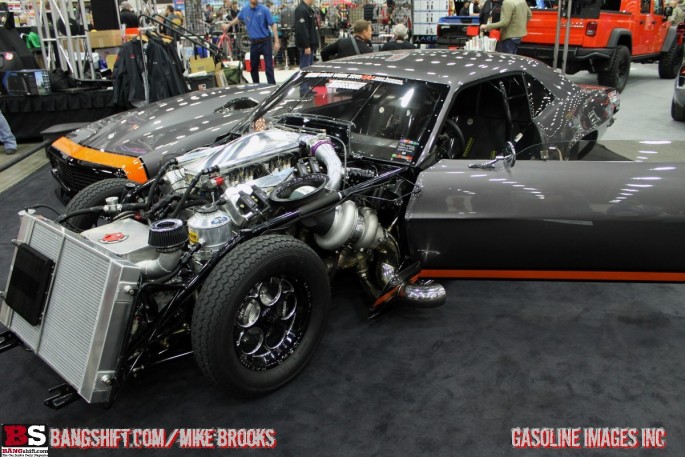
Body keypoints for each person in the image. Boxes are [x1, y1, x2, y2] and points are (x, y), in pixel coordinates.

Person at [223, 0, 281, 84]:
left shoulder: (264, 10)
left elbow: (273, 25)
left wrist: (277, 41)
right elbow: (238, 18)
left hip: (266, 42)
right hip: (254, 43)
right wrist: (228, 25)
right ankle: (256, 85)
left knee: (269, 67)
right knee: (253, 67)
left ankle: (272, 86)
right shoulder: (245, 10)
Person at [295, 0, 318, 69]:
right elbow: (302, 29)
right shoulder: (301, 10)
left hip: (310, 44)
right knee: (305, 68)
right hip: (306, 45)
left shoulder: (308, 9)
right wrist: (306, 45)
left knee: (309, 68)